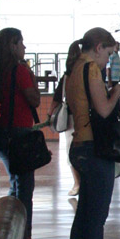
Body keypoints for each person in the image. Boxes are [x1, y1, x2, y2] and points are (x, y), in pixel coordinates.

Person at [65, 27, 120, 239]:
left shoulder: (73, 67)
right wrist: (117, 91)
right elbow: (103, 109)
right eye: (109, 54)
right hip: (94, 150)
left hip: (79, 146)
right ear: (99, 47)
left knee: (83, 218)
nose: (108, 61)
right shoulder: (91, 68)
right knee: (96, 219)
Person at [0, 27, 47, 239]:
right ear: (13, 46)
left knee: (16, 187)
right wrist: (32, 77)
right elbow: (35, 99)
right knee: (25, 191)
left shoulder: (1, 70)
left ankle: (11, 234)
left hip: (4, 133)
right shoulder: (20, 69)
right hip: (20, 134)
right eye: (21, 43)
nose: (25, 47)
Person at [49, 60, 82, 197]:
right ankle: (82, 182)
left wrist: (49, 117)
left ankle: (77, 183)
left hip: (71, 120)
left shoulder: (66, 78)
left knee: (71, 150)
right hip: (87, 118)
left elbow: (56, 99)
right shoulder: (90, 75)